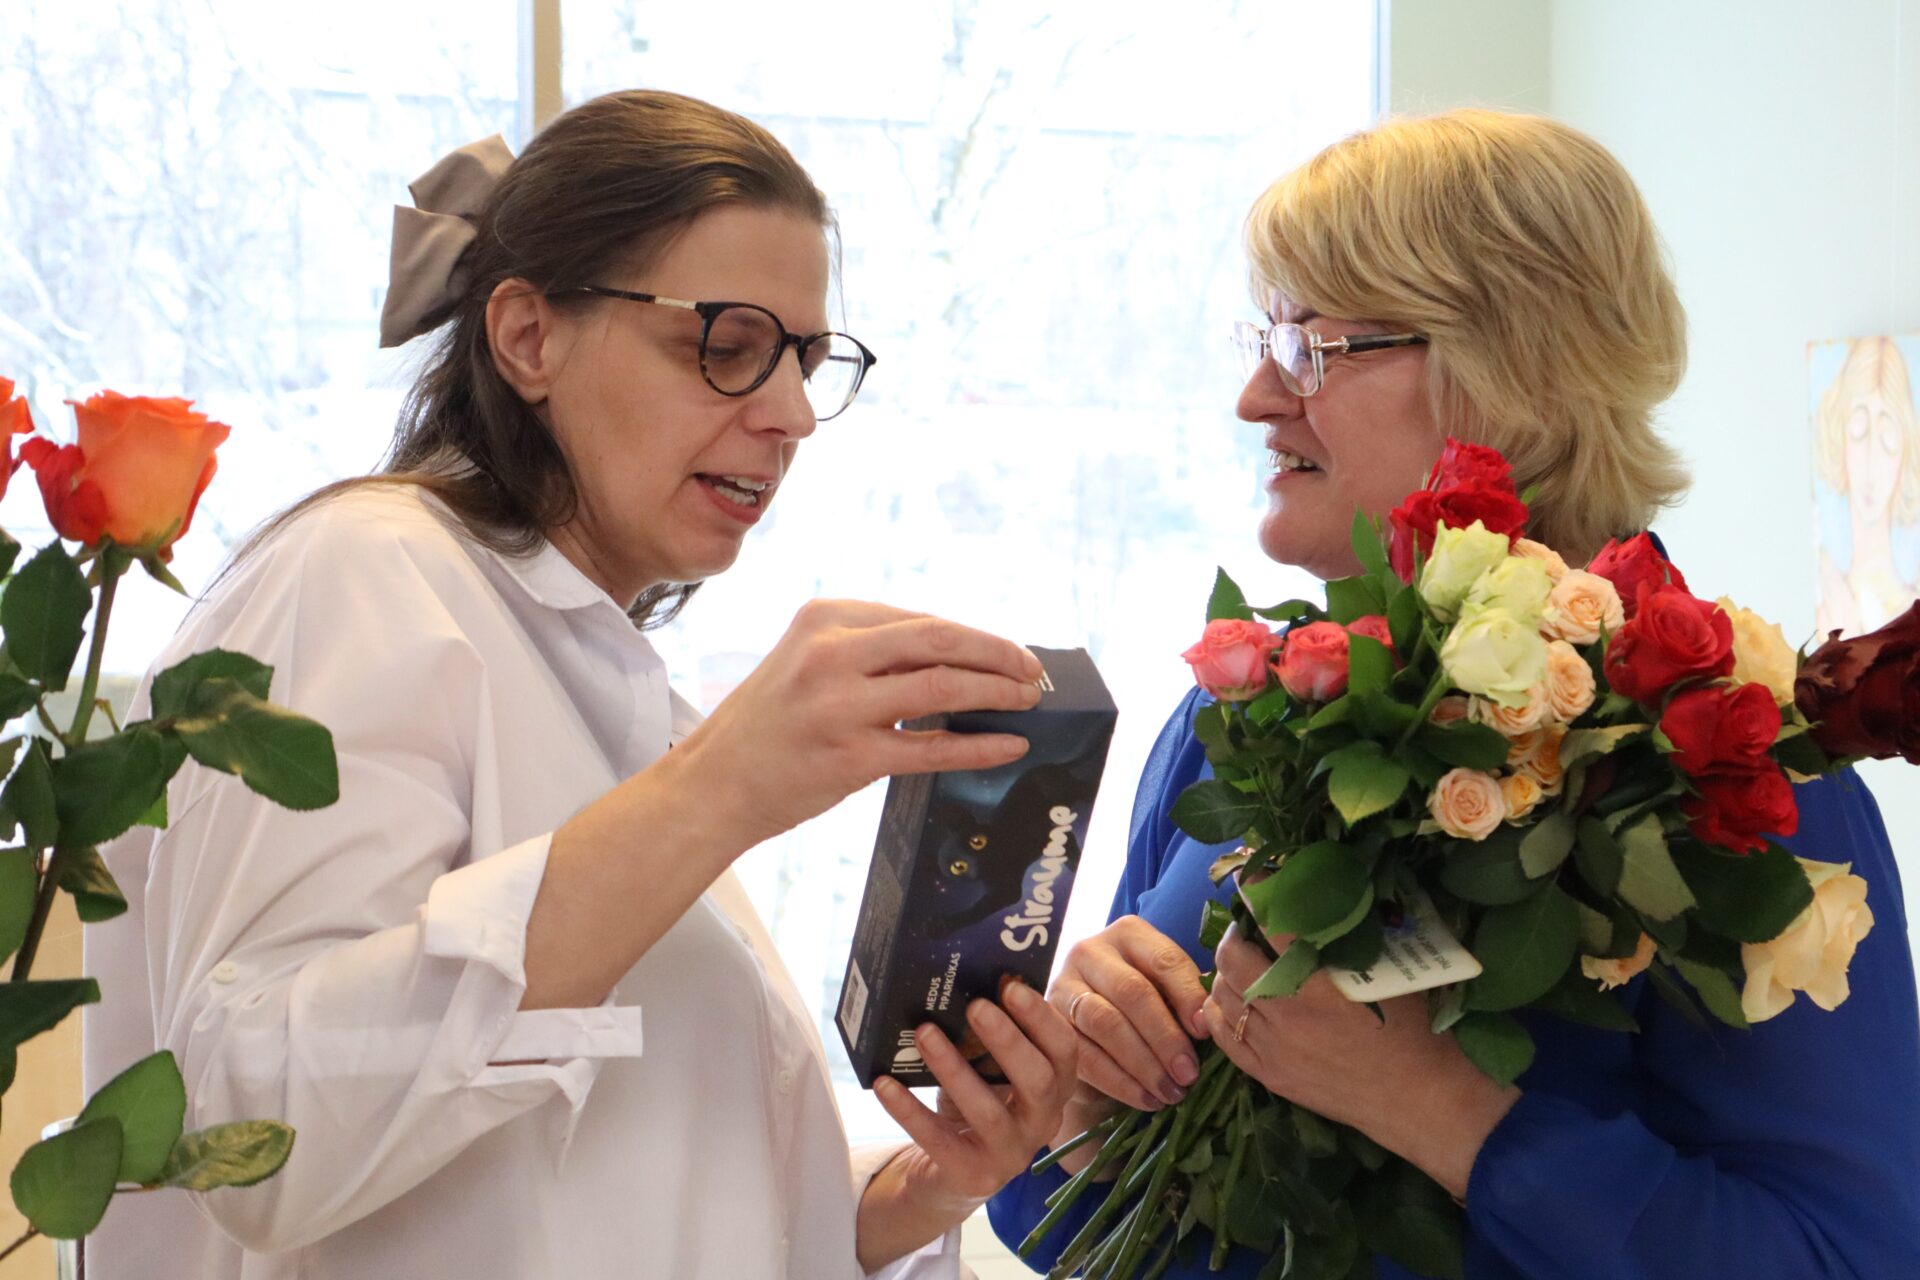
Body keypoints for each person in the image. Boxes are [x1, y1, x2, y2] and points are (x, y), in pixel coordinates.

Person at [84, 89, 1078, 1280]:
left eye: (808, 360)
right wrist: (721, 788)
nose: (793, 415)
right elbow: (253, 1129)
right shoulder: (361, 570)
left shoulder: (616, 700)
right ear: (527, 337)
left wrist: (927, 1186)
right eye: (728, 345)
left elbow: (664, 1206)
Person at [989, 109, 1920, 1277]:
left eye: (1310, 346)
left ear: (1510, 366)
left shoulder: (1726, 771)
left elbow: (1848, 1258)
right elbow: (1052, 1224)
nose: (1256, 398)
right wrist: (1076, 1103)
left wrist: (1446, 1114)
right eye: (1264, 338)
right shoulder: (1234, 721)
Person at [1814, 335, 1920, 637]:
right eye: (1859, 431)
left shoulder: (1911, 609)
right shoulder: (1828, 599)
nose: (1872, 462)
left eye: (1887, 439)